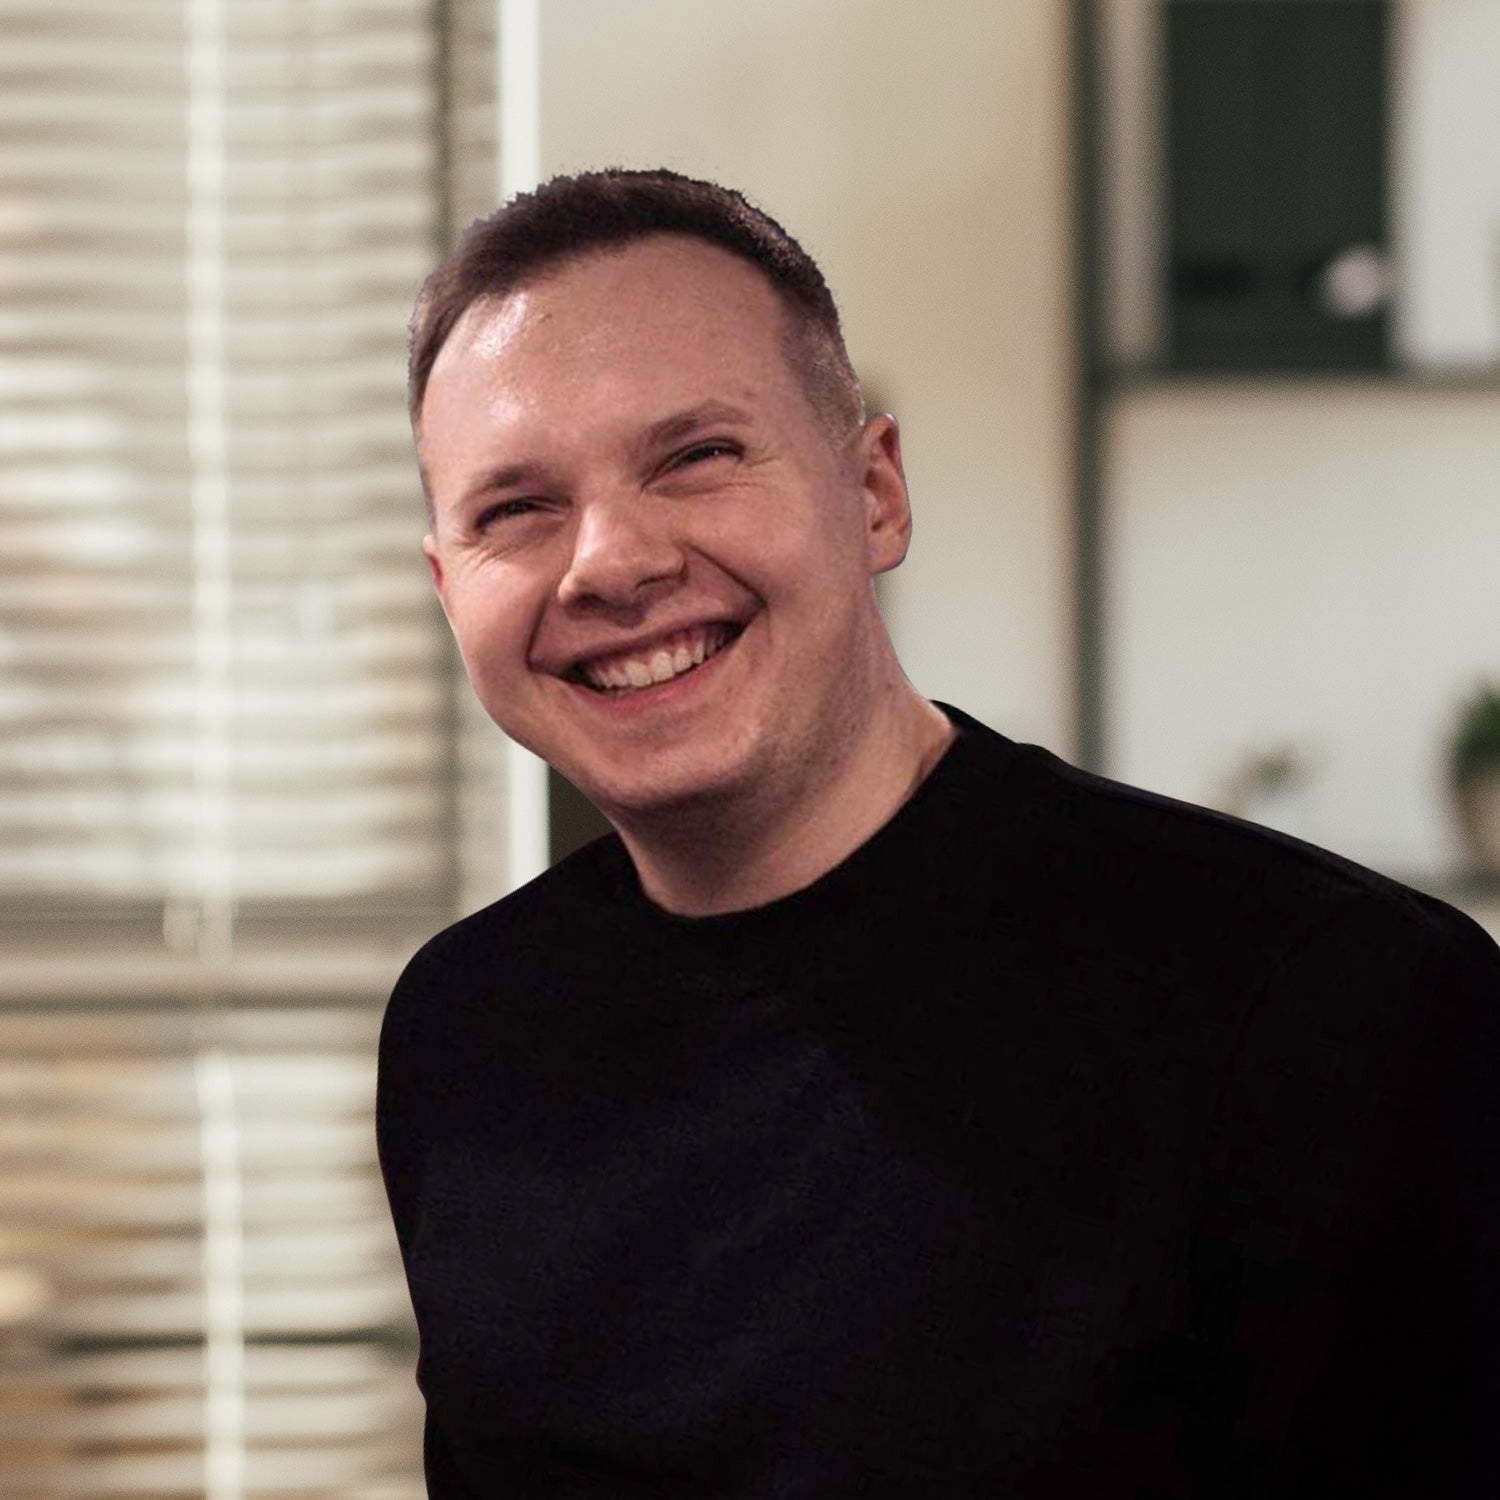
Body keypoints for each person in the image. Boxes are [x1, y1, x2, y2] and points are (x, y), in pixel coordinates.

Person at [378, 168, 1500, 1497]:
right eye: (517, 510)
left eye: (696, 456)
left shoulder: (1343, 1003)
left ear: (875, 495)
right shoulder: (464, 1033)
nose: (612, 562)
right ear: (450, 591)